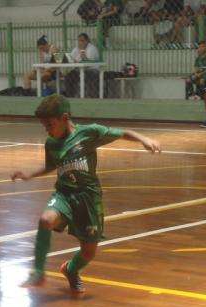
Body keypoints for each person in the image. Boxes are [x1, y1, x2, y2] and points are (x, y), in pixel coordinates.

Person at [10, 94, 161, 294]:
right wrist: (29, 175)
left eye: (49, 124)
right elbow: (51, 166)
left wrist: (144, 139)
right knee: (46, 220)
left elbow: (123, 132)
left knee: (89, 252)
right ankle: (38, 272)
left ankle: (71, 270)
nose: (47, 129)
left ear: (65, 118)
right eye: (44, 126)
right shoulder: (51, 143)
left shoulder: (89, 133)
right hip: (64, 194)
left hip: (88, 197)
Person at [65, 33, 100, 98]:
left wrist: (82, 52)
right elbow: (71, 58)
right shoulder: (76, 49)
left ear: (87, 41)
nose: (80, 43)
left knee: (89, 75)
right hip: (80, 70)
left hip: (92, 70)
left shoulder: (92, 48)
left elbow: (88, 63)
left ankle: (92, 97)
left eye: (82, 40)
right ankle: (70, 96)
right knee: (69, 76)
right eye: (79, 41)